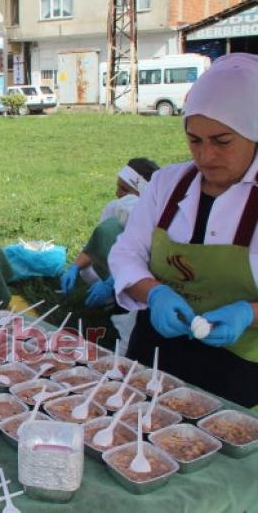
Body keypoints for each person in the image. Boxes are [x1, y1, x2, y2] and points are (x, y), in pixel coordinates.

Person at [109, 53, 258, 409]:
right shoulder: (167, 183)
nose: (206, 156)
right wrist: (155, 293)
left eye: (222, 141)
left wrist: (248, 313)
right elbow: (126, 253)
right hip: (156, 349)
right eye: (195, 140)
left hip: (237, 364)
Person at [61, 157, 160, 306]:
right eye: (118, 187)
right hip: (114, 267)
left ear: (143, 195)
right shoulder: (114, 208)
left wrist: (111, 284)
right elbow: (96, 245)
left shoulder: (156, 221)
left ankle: (122, 298)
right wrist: (74, 267)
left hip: (142, 277)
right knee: (86, 270)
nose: (117, 193)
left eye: (124, 190)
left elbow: (147, 263)